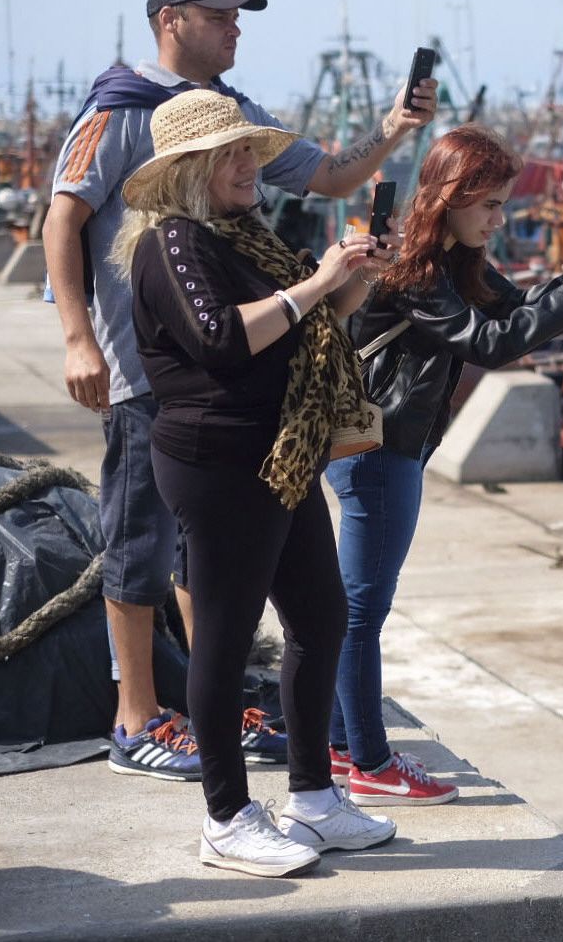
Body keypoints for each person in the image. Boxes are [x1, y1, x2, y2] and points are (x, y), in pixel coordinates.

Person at [43, 0, 436, 779]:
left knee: (207, 556)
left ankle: (204, 706)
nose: (236, 28)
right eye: (219, 15)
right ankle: (135, 717)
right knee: (139, 539)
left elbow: (329, 175)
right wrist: (79, 340)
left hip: (230, 378)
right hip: (145, 367)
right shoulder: (118, 109)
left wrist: (397, 126)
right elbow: (62, 219)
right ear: (171, 20)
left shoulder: (233, 114)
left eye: (238, 15)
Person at [114, 87, 396, 877]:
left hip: (280, 453)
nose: (249, 166)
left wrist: (356, 275)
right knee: (226, 635)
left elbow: (316, 319)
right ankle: (227, 817)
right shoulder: (170, 241)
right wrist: (315, 286)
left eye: (250, 152)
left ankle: (313, 798)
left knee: (320, 617)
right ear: (190, 170)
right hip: (218, 461)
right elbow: (220, 339)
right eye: (232, 155)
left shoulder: (244, 235)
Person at [326, 123, 563, 804]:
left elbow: (513, 312)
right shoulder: (418, 269)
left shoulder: (455, 262)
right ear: (452, 196)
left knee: (357, 607)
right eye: (489, 204)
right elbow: (486, 343)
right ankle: (370, 763)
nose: (498, 218)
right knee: (362, 611)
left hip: (389, 447)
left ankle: (341, 746)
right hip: (379, 450)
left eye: (502, 204)